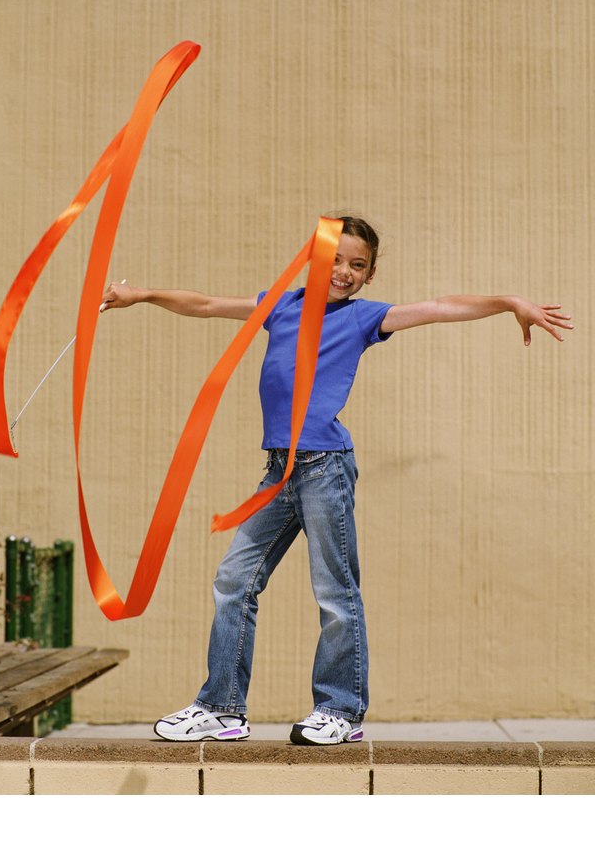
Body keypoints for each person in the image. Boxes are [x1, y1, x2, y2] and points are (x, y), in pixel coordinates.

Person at [100, 216, 573, 745]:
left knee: (334, 591)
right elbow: (207, 304)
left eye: (358, 265)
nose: (345, 272)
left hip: (325, 467)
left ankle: (340, 711)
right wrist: (140, 294)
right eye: (337, 261)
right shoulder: (280, 305)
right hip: (280, 471)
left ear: (369, 276)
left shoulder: (364, 318)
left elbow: (440, 307)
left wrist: (509, 301)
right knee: (234, 579)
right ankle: (223, 708)